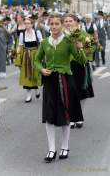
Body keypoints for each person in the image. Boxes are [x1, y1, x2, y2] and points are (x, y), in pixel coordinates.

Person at [36, 13, 87, 162]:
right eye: (51, 24)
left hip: (65, 80)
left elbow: (82, 60)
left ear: (62, 25)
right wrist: (41, 69)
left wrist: (79, 48)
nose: (54, 27)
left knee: (65, 115)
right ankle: (51, 149)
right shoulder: (44, 42)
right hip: (50, 82)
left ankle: (65, 146)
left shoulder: (68, 41)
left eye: (57, 24)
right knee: (49, 116)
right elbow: (37, 60)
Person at [63, 14, 95, 129]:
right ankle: (71, 117)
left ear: (76, 22)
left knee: (82, 91)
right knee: (69, 91)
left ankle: (79, 115)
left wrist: (83, 48)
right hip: (66, 66)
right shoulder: (61, 35)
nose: (67, 23)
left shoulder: (84, 34)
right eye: (65, 21)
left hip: (80, 65)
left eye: (70, 21)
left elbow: (92, 47)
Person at [18, 17, 42, 102]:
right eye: (25, 23)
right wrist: (18, 57)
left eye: (28, 23)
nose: (27, 25)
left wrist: (42, 56)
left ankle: (36, 89)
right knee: (27, 74)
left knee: (35, 73)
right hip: (26, 55)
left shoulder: (37, 32)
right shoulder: (22, 34)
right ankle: (28, 95)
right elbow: (20, 45)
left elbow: (41, 43)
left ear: (32, 24)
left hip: (35, 54)